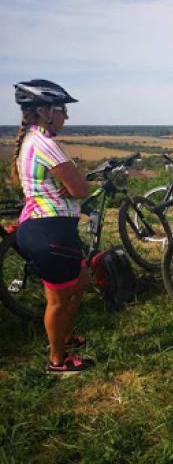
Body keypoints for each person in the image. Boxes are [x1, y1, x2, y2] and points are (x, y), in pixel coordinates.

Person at [12, 79, 94, 375]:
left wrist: (70, 185)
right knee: (56, 301)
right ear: (45, 110)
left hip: (45, 228)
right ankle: (58, 361)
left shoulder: (31, 141)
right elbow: (82, 187)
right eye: (62, 110)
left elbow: (72, 186)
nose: (66, 116)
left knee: (81, 280)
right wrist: (73, 184)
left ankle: (64, 336)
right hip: (50, 232)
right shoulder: (45, 144)